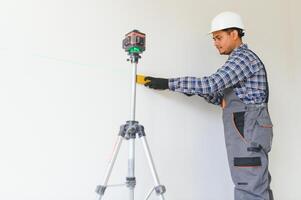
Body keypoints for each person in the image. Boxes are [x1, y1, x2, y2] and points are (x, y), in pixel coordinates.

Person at [144, 11, 274, 200]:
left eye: (219, 37)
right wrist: (192, 89)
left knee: (249, 188)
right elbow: (217, 96)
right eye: (214, 39)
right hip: (246, 132)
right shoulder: (237, 61)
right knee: (252, 185)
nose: (215, 43)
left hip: (248, 131)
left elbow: (211, 84)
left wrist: (169, 83)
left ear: (234, 34)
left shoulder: (242, 59)